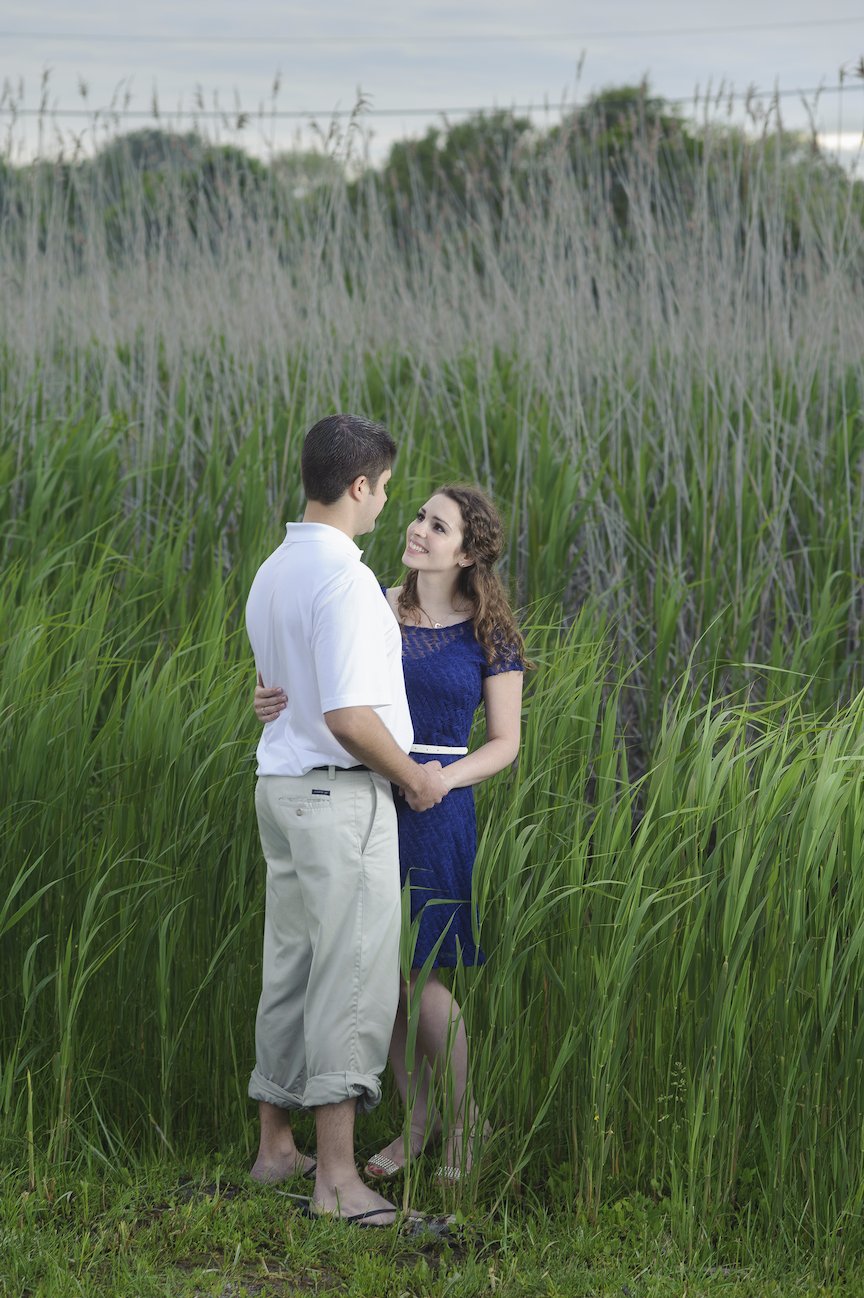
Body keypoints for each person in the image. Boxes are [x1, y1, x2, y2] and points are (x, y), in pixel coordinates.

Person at [255, 484, 529, 1182]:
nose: (417, 531)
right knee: (383, 977)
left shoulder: (488, 633)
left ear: (468, 552)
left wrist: (444, 780)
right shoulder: (374, 602)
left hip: (438, 805)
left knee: (421, 974)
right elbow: (324, 684)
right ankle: (417, 1122)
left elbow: (505, 742)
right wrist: (267, 692)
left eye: (438, 527)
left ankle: (469, 1123)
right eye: (417, 517)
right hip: (368, 794)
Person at [245, 413, 450, 1227]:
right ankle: (337, 1180)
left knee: (289, 968)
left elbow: (279, 690)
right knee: (351, 976)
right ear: (360, 485)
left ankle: (275, 1149)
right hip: (339, 797)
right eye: (387, 489)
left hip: (282, 790)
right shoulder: (348, 581)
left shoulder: (274, 570)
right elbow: (347, 716)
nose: (387, 505)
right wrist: (412, 778)